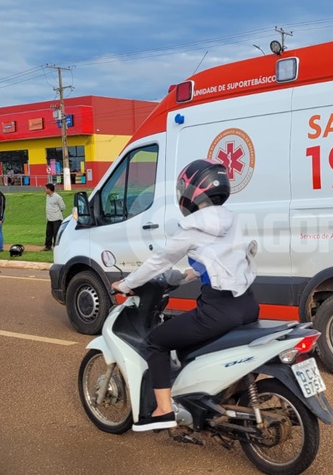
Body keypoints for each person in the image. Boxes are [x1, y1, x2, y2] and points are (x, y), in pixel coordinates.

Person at [111, 159, 259, 432]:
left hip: (218, 311)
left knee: (156, 341)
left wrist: (126, 284)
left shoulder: (192, 226)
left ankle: (164, 410)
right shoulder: (233, 219)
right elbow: (224, 258)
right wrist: (188, 275)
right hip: (248, 304)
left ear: (192, 191)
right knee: (190, 343)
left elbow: (161, 260)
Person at [43, 183, 65, 252]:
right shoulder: (47, 196)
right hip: (49, 218)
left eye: (46, 188)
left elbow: (63, 207)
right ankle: (48, 246)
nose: (45, 190)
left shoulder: (57, 197)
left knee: (56, 234)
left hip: (57, 219)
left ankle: (56, 247)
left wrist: (56, 212)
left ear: (49, 189)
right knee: (48, 233)